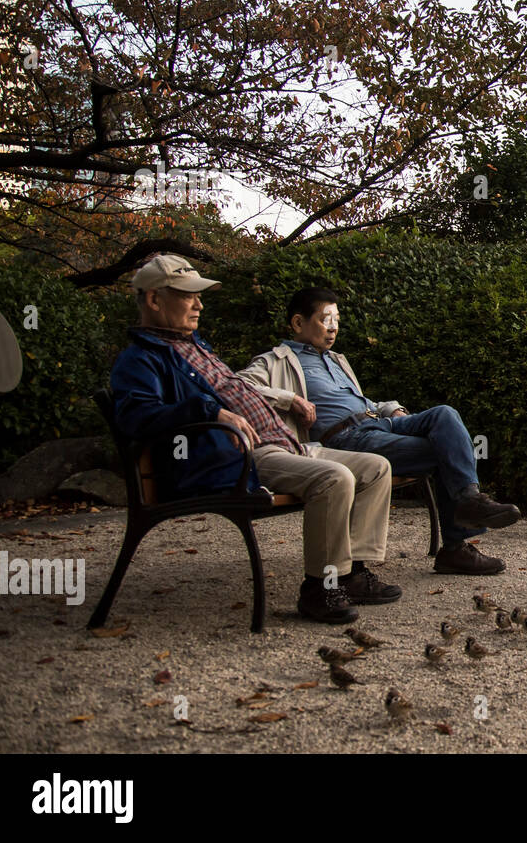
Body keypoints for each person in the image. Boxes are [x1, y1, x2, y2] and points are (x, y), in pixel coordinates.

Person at [109, 255, 399, 625]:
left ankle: (351, 573)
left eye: (199, 296)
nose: (199, 304)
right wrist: (209, 411)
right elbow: (135, 417)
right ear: (153, 300)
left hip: (284, 442)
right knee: (333, 478)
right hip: (243, 456)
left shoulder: (196, 347)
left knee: (376, 467)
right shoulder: (142, 359)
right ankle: (319, 590)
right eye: (187, 295)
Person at [237, 286, 521, 576]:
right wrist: (291, 399)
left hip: (380, 422)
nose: (334, 329)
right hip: (345, 440)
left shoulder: (336, 361)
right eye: (326, 320)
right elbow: (237, 386)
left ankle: (468, 500)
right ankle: (455, 547)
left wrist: (391, 409)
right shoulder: (275, 361)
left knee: (445, 415)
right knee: (448, 453)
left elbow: (362, 403)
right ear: (298, 323)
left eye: (337, 320)